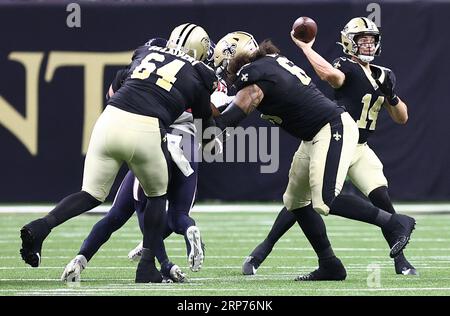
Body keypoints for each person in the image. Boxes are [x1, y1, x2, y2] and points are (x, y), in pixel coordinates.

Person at [20, 23, 217, 283]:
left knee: (90, 194)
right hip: (147, 128)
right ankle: (147, 266)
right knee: (156, 196)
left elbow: (112, 91)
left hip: (109, 118)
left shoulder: (147, 52)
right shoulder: (199, 75)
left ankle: (41, 227)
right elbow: (204, 122)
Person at [212, 33, 416, 281]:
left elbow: (229, 119)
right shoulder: (269, 64)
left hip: (331, 128)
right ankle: (329, 264)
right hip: (314, 134)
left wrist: (203, 106)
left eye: (225, 64)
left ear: (236, 57)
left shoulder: (254, 73)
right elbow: (235, 108)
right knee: (295, 201)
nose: (226, 72)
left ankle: (394, 223)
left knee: (325, 200)